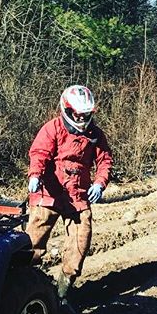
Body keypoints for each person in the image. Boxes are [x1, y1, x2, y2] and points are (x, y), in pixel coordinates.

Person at [26, 85, 112, 300]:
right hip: (49, 190)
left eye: (86, 115)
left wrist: (100, 183)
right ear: (67, 109)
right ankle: (24, 285)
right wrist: (35, 175)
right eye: (78, 114)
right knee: (33, 241)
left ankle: (63, 291)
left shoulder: (95, 135)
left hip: (78, 195)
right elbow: (39, 153)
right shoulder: (52, 128)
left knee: (80, 240)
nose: (82, 119)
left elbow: (105, 162)